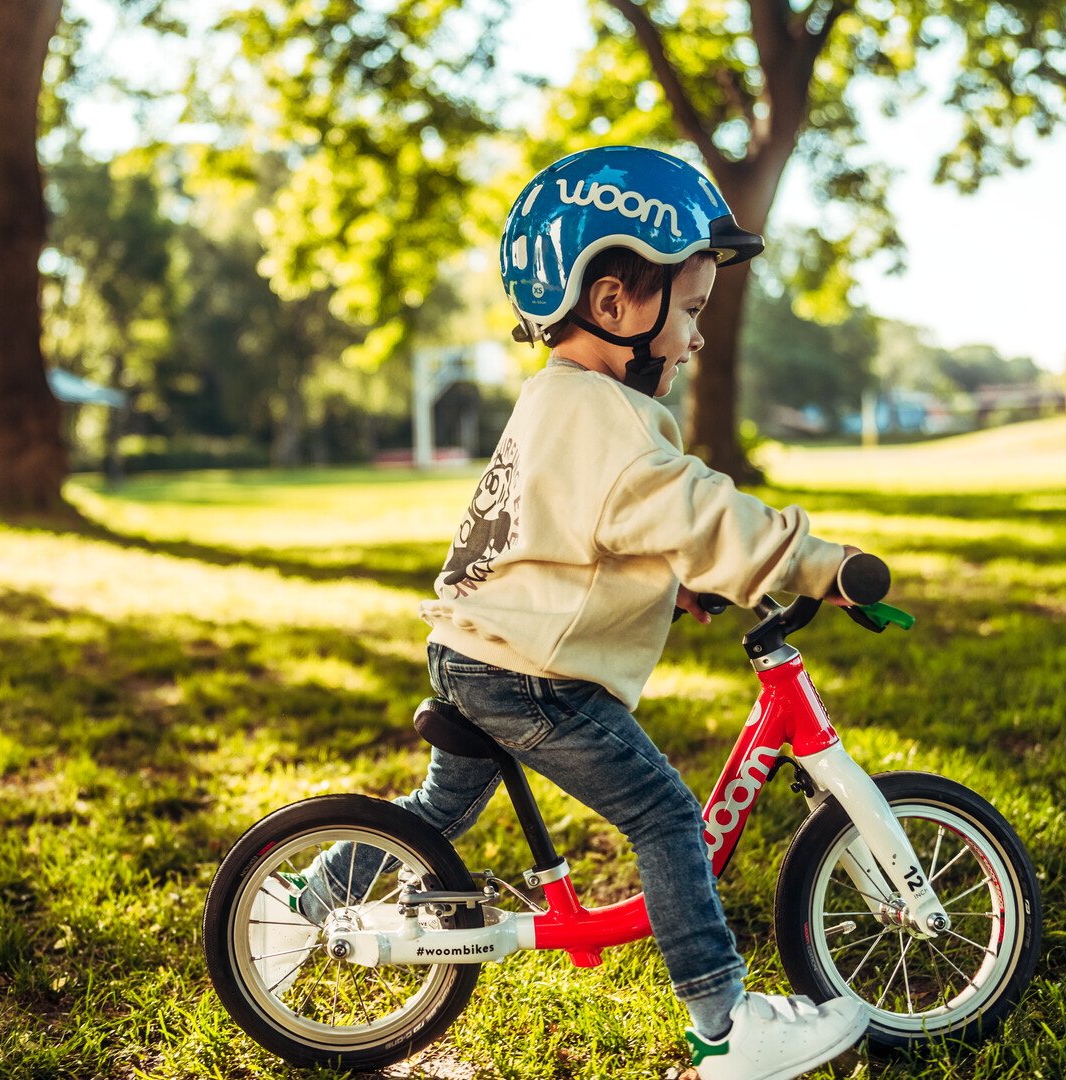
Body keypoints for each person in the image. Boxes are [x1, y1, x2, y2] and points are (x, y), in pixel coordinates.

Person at [268, 146, 869, 1080]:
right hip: (526, 673)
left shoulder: (561, 400)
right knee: (668, 817)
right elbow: (697, 509)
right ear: (613, 303)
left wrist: (679, 584)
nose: (698, 337)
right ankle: (725, 1029)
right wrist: (815, 564)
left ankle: (309, 900)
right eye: (694, 309)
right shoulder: (610, 418)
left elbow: (582, 531)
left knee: (435, 814)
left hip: (476, 647)